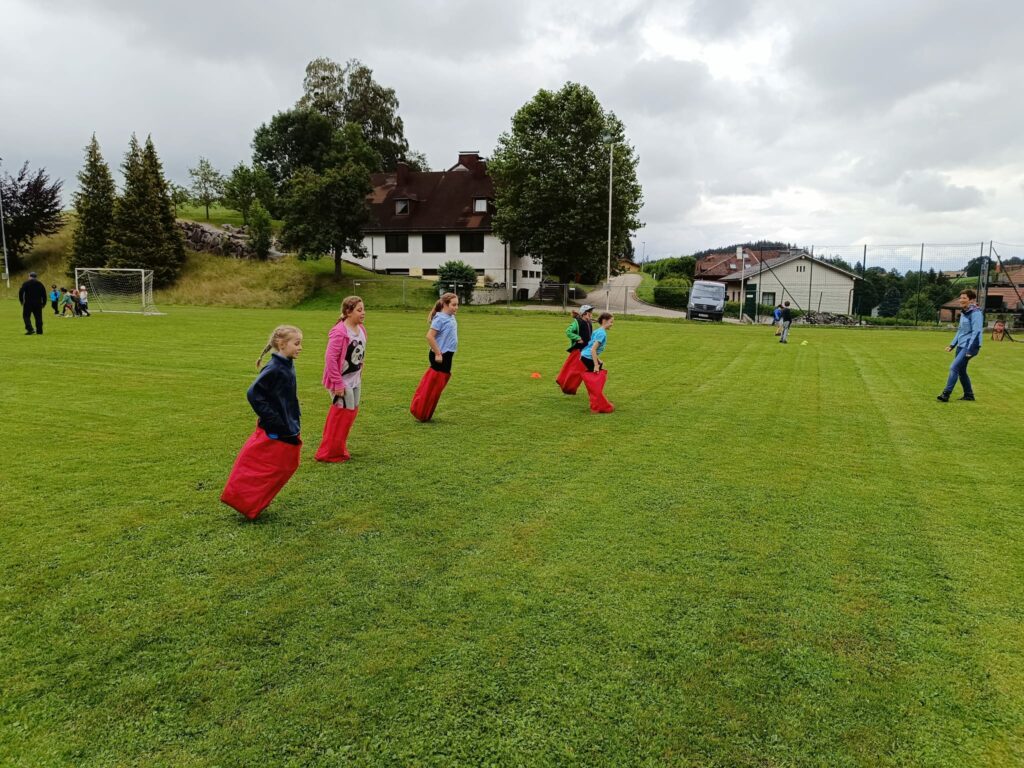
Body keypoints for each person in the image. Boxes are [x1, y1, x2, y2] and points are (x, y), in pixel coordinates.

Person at [221, 325, 304, 519]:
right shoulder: (274, 368)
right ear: (282, 345)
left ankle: (253, 502)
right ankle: (243, 501)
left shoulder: (287, 363)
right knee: (270, 466)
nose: (300, 347)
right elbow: (254, 394)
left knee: (286, 465)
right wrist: (273, 419)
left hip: (289, 424)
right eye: (297, 343)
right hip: (278, 427)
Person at [316, 296, 367, 462]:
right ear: (348, 312)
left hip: (355, 379)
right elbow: (330, 359)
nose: (363, 313)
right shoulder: (339, 332)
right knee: (341, 415)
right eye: (359, 310)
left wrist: (360, 368)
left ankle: (339, 447)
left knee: (350, 413)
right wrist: (337, 384)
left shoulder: (361, 329)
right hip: (341, 381)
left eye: (363, 309)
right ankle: (330, 452)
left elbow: (359, 352)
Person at [410, 292, 459, 422]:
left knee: (437, 387)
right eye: (453, 305)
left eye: (457, 305)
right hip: (440, 356)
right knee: (432, 386)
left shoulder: (450, 317)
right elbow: (429, 336)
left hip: (447, 355)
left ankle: (426, 413)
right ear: (445, 305)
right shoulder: (440, 319)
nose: (456, 307)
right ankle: (420, 411)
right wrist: (438, 353)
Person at [937, 289, 983, 402]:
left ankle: (946, 394)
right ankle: (969, 395)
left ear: (971, 300)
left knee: (954, 367)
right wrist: (952, 345)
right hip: (961, 345)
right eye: (960, 298)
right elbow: (960, 330)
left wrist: (970, 349)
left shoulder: (976, 313)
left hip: (969, 346)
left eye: (964, 298)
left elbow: (977, 332)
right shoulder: (964, 312)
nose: (961, 300)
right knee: (961, 371)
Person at [580, 312, 615, 413]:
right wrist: (596, 364)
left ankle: (598, 402)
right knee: (595, 381)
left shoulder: (598, 331)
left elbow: (590, 346)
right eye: (611, 322)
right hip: (588, 357)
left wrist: (598, 360)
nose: (612, 324)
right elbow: (593, 349)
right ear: (604, 321)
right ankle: (597, 405)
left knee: (596, 380)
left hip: (585, 356)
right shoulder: (602, 333)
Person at [556, 304, 593, 395]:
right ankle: (566, 386)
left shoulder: (589, 322)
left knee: (585, 370)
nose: (591, 314)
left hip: (587, 351)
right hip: (579, 351)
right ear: (584, 314)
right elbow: (568, 331)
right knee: (574, 370)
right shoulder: (577, 323)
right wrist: (577, 338)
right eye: (589, 313)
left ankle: (591, 389)